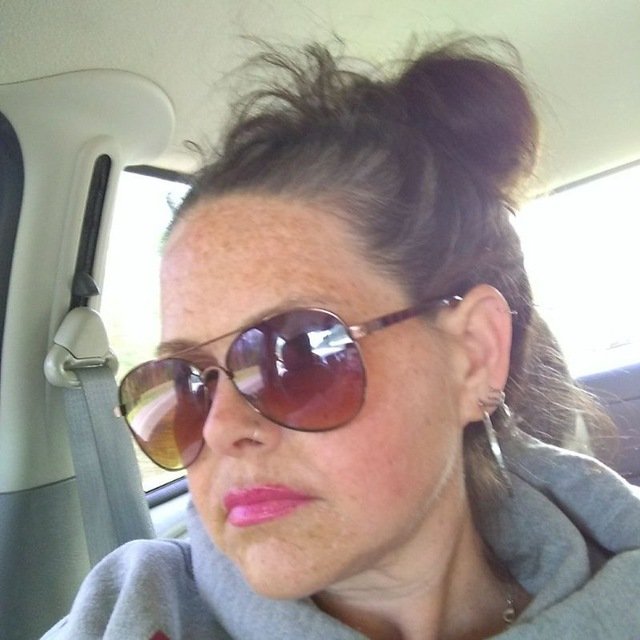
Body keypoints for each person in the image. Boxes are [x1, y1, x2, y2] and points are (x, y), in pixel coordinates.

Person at [43, 38, 640, 640]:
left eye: (297, 357)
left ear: (474, 356)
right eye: (183, 386)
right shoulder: (130, 610)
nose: (220, 429)